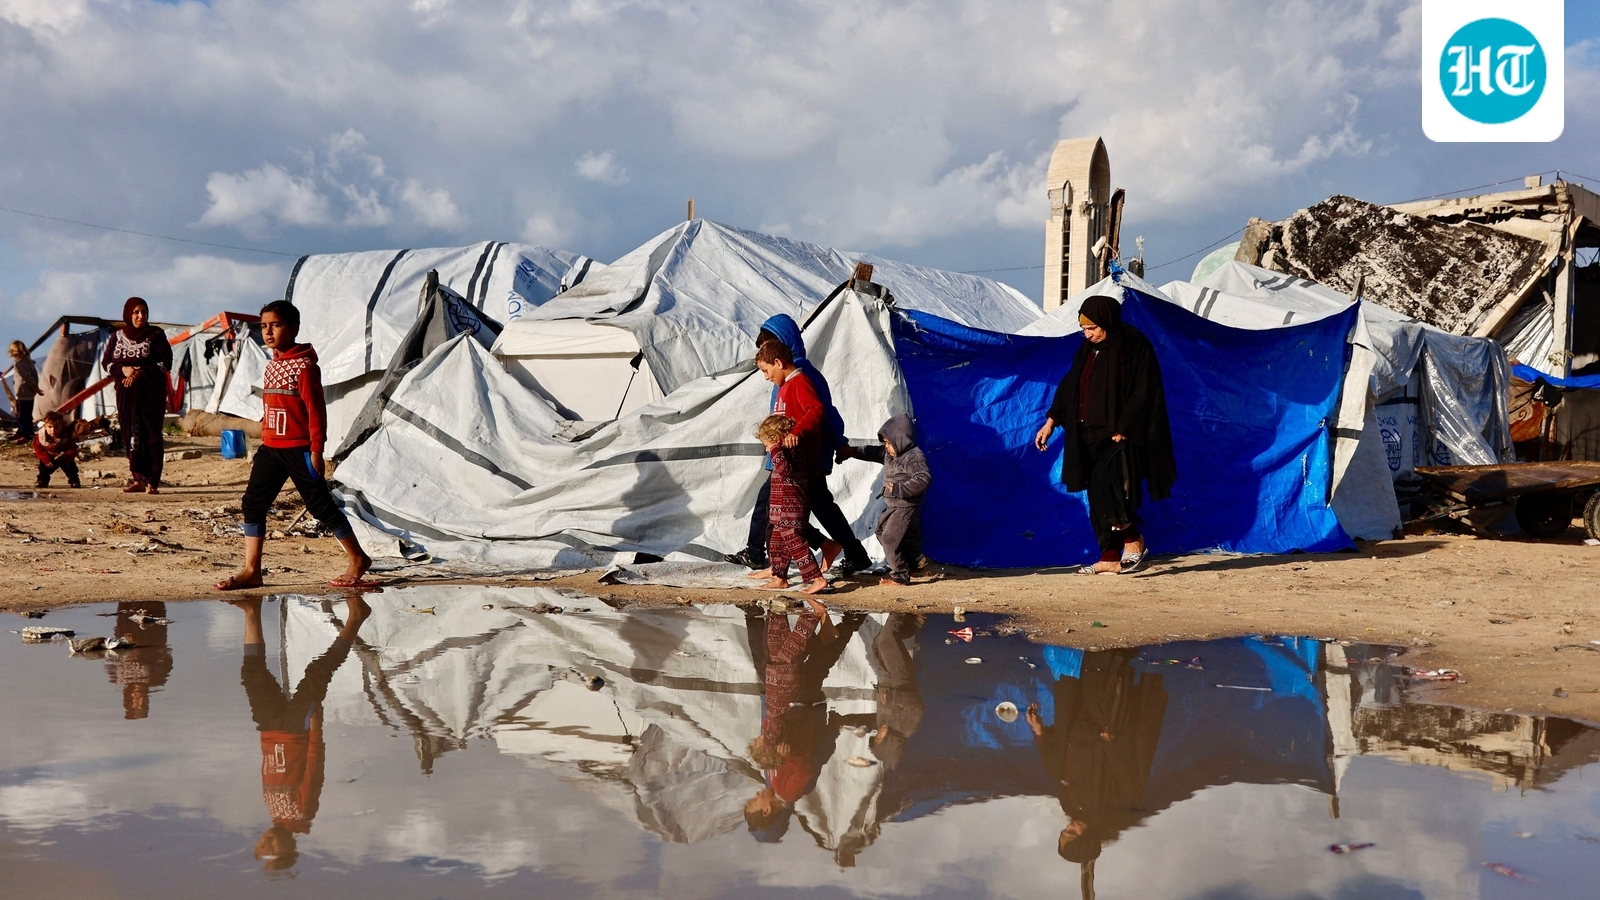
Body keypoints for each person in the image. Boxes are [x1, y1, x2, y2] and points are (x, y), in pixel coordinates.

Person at [216, 300, 372, 590]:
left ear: (294, 328)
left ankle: (358, 558)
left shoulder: (305, 367)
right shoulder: (272, 364)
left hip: (299, 449)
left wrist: (316, 450)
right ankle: (252, 571)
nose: (268, 331)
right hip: (271, 448)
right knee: (253, 503)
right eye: (263, 326)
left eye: (275, 325)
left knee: (320, 507)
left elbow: (316, 411)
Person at [1034, 296, 1175, 575]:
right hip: (1087, 433)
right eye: (1084, 330)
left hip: (1118, 435)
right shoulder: (1088, 349)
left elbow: (1144, 388)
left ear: (1107, 321)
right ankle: (1110, 556)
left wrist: (1125, 426)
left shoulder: (1133, 344)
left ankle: (1134, 539)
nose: (1088, 335)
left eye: (1093, 328)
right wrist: (1051, 421)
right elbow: (1071, 385)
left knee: (1108, 492)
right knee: (1097, 498)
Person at [229, 594, 369, 872]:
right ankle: (357, 618)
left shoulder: (273, 813)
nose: (266, 843)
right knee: (318, 671)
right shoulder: (302, 813)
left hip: (268, 730)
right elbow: (314, 769)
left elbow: (269, 765)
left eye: (261, 847)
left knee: (252, 673)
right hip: (296, 729)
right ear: (289, 847)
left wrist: (265, 737)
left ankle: (251, 611)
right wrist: (316, 727)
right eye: (273, 849)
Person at [728, 315, 872, 577]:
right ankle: (847, 551)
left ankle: (763, 557)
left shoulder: (802, 376)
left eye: (770, 347)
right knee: (811, 507)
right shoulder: (785, 379)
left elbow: (823, 412)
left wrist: (838, 443)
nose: (766, 362)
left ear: (782, 348)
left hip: (801, 457)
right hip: (789, 454)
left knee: (776, 507)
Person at [1025, 649, 1166, 889]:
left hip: (1073, 728)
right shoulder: (1116, 807)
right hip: (1104, 730)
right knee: (1101, 674)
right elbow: (1129, 771)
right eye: (1071, 832)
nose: (1068, 826)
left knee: (1073, 675)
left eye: (1065, 831)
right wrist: (1111, 744)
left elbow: (1057, 771)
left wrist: (1040, 733)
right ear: (1086, 838)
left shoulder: (1071, 807)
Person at [842, 413, 931, 586]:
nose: (886, 447)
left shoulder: (913, 457)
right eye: (885, 443)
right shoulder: (889, 453)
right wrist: (851, 452)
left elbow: (923, 478)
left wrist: (900, 489)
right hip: (893, 505)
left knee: (891, 538)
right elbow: (871, 451)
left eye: (889, 443)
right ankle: (914, 561)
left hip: (906, 505)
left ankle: (900, 575)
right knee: (881, 532)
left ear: (901, 439)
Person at [748, 414, 829, 594]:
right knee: (777, 541)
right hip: (783, 506)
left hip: (789, 506)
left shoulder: (785, 451)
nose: (768, 450)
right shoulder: (797, 449)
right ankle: (779, 576)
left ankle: (817, 578)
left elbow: (785, 470)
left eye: (767, 445)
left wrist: (775, 449)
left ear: (775, 439)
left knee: (796, 543)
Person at [101, 297, 172, 494]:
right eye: (136, 312)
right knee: (130, 434)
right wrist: (123, 369)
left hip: (151, 394)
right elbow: (106, 363)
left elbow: (166, 363)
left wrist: (140, 372)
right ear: (128, 314)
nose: (141, 316)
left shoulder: (156, 335)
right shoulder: (117, 337)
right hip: (126, 394)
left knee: (151, 435)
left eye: (144, 312)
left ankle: (152, 481)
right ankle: (138, 478)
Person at [104, 601, 173, 719]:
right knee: (153, 602)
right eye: (144, 704)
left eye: (136, 702)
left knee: (129, 604)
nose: (141, 700)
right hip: (153, 636)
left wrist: (126, 644)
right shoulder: (158, 680)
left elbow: (111, 655)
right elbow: (168, 659)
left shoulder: (117, 678)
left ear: (129, 698)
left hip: (127, 633)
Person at [32, 410, 81, 488]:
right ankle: (42, 481)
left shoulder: (66, 436)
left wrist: (67, 455)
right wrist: (46, 459)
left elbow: (73, 449)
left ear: (62, 426)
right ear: (45, 426)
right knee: (43, 468)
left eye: (56, 427)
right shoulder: (41, 436)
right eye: (50, 427)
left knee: (71, 468)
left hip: (64, 456)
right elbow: (38, 449)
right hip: (49, 457)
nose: (53, 430)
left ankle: (74, 481)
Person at [8, 340, 38, 443]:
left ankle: (25, 434)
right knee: (27, 414)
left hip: (23, 393)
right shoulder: (29, 362)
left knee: (22, 415)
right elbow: (34, 376)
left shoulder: (19, 364)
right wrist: (35, 387)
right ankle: (23, 432)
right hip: (29, 392)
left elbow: (28, 377)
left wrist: (35, 387)